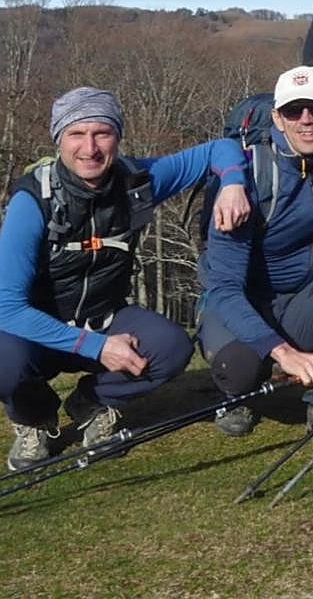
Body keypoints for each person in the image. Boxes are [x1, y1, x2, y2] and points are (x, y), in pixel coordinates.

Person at [0, 87, 250, 470]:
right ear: (58, 140)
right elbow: (7, 307)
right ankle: (35, 419)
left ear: (117, 136)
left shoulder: (138, 182)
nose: (90, 148)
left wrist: (233, 184)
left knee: (171, 348)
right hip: (37, 329)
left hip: (106, 315)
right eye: (76, 135)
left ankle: (93, 403)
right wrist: (96, 347)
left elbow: (220, 149)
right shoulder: (33, 201)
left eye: (102, 133)